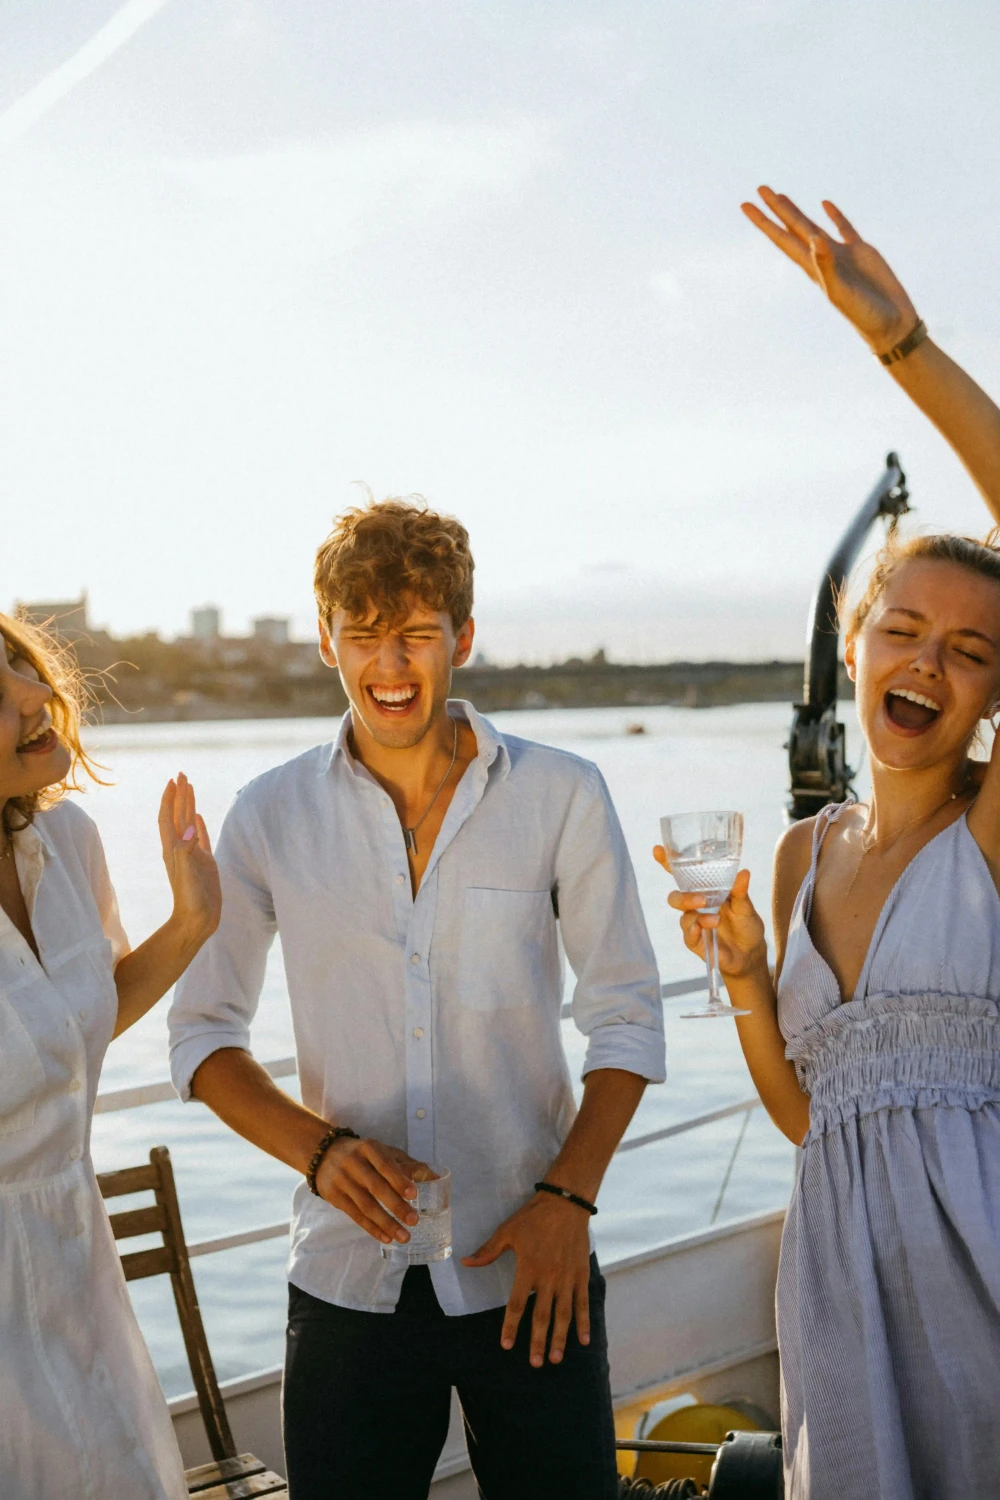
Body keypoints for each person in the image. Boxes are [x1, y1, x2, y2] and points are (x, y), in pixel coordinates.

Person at [168, 499, 665, 1500]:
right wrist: (319, 1150)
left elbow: (626, 1013)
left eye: (414, 637)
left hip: (537, 1263)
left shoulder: (563, 793)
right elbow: (201, 1034)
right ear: (326, 644)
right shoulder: (267, 815)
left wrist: (568, 1201)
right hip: (347, 1278)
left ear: (462, 640)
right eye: (363, 637)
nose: (389, 668)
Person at [658, 189, 1000, 1500]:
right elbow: (812, 1120)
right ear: (856, 643)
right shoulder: (802, 856)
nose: (930, 662)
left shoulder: (990, 831)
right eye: (904, 628)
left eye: (972, 653)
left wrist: (902, 344)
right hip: (839, 1291)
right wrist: (746, 981)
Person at [0, 612, 221, 1500]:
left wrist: (193, 922)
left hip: (78, 1273)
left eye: (23, 665)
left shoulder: (68, 841)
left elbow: (66, 1034)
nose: (37, 692)